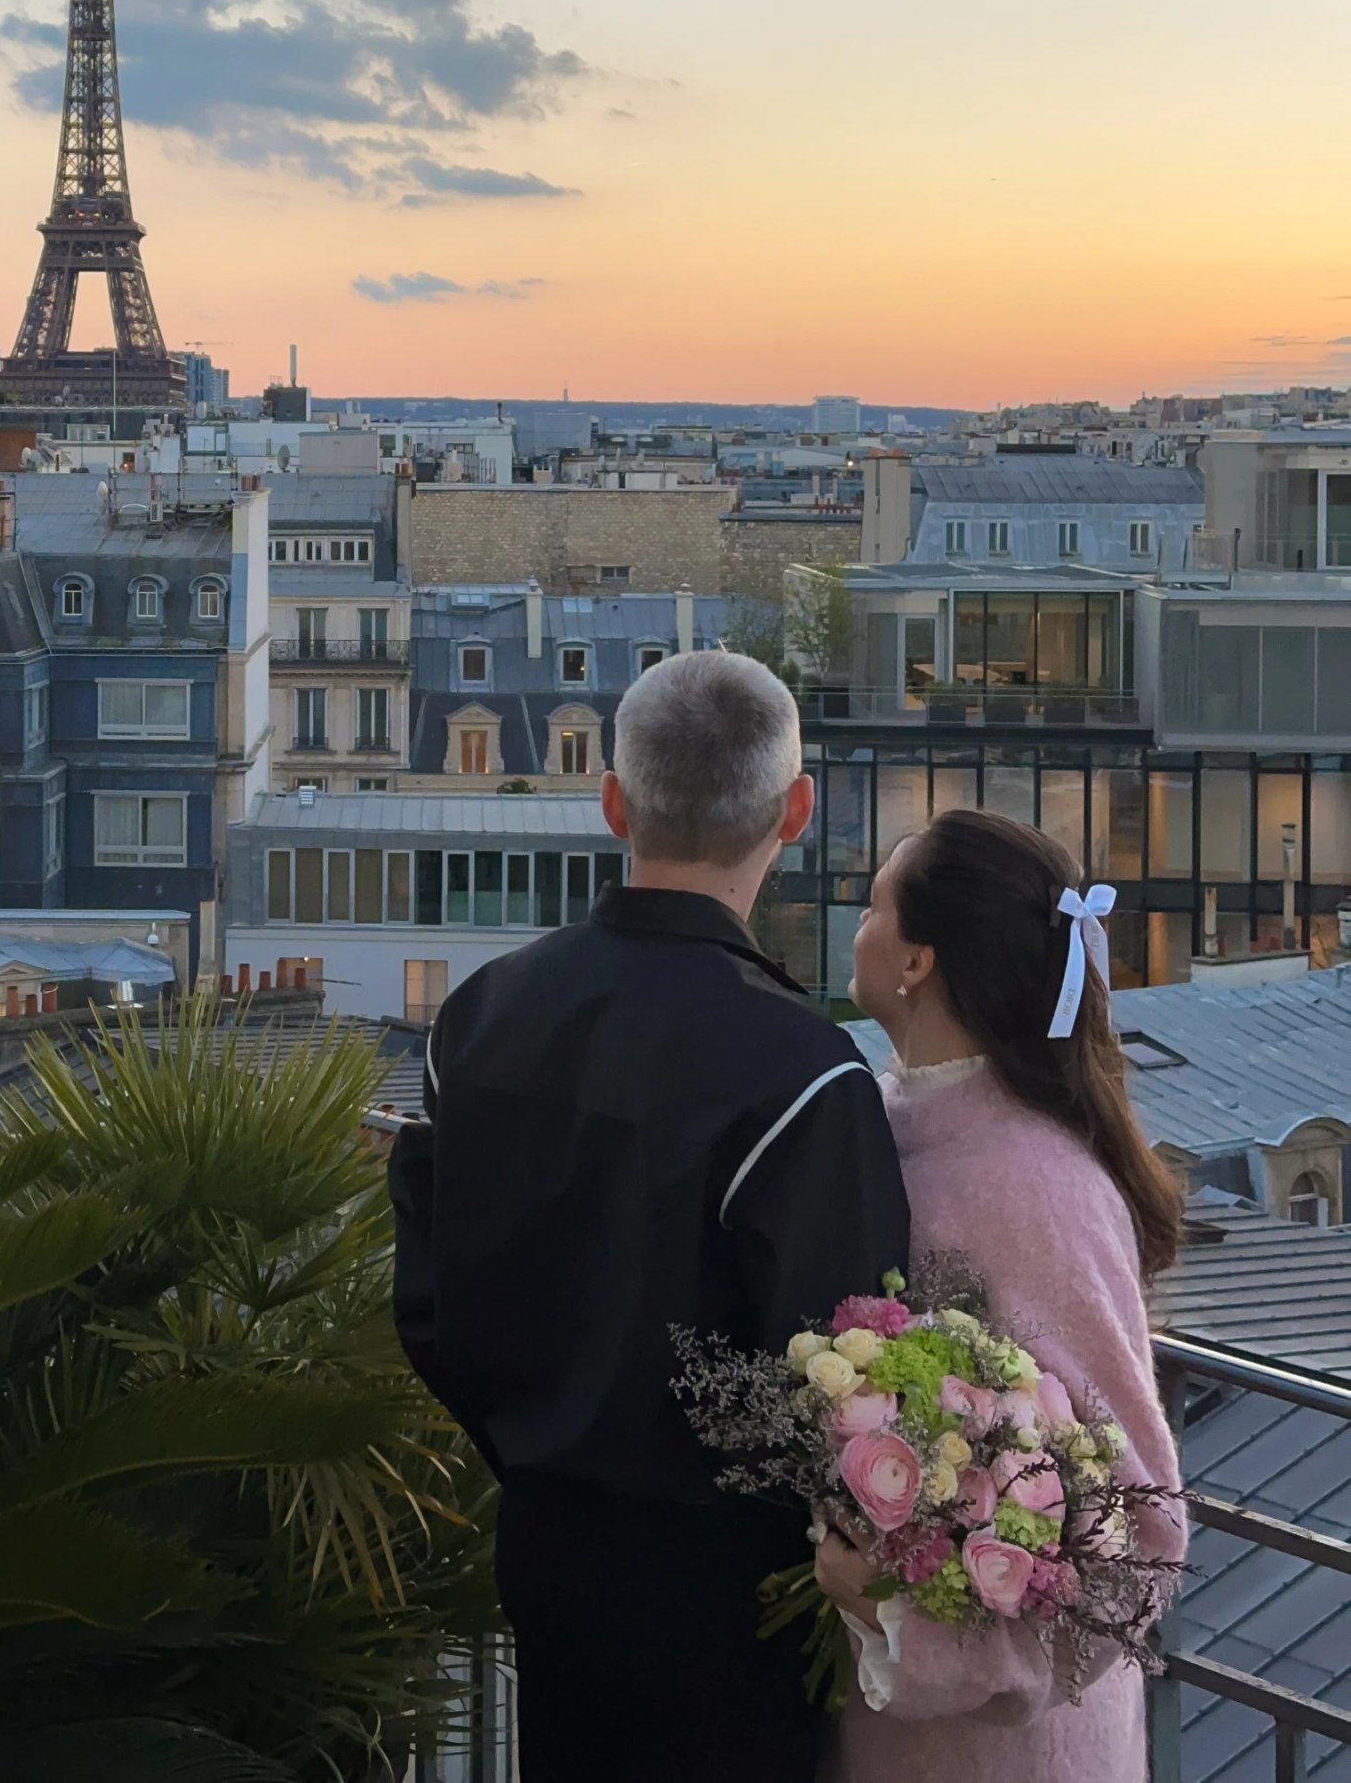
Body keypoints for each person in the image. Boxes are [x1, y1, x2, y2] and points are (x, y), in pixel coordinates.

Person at [388, 651, 910, 1783]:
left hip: (545, 1548)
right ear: (796, 812)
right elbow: (853, 1368)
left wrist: (539, 1446)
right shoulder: (804, 1074)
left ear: (613, 801)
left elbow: (429, 1306)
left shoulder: (477, 1019)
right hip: (734, 1598)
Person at [816, 809, 1187, 1783]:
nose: (854, 927)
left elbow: (1143, 1534)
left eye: (871, 905)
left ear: (915, 961)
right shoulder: (878, 1131)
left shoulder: (1038, 1187)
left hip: (1017, 1753)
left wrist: (912, 1619)